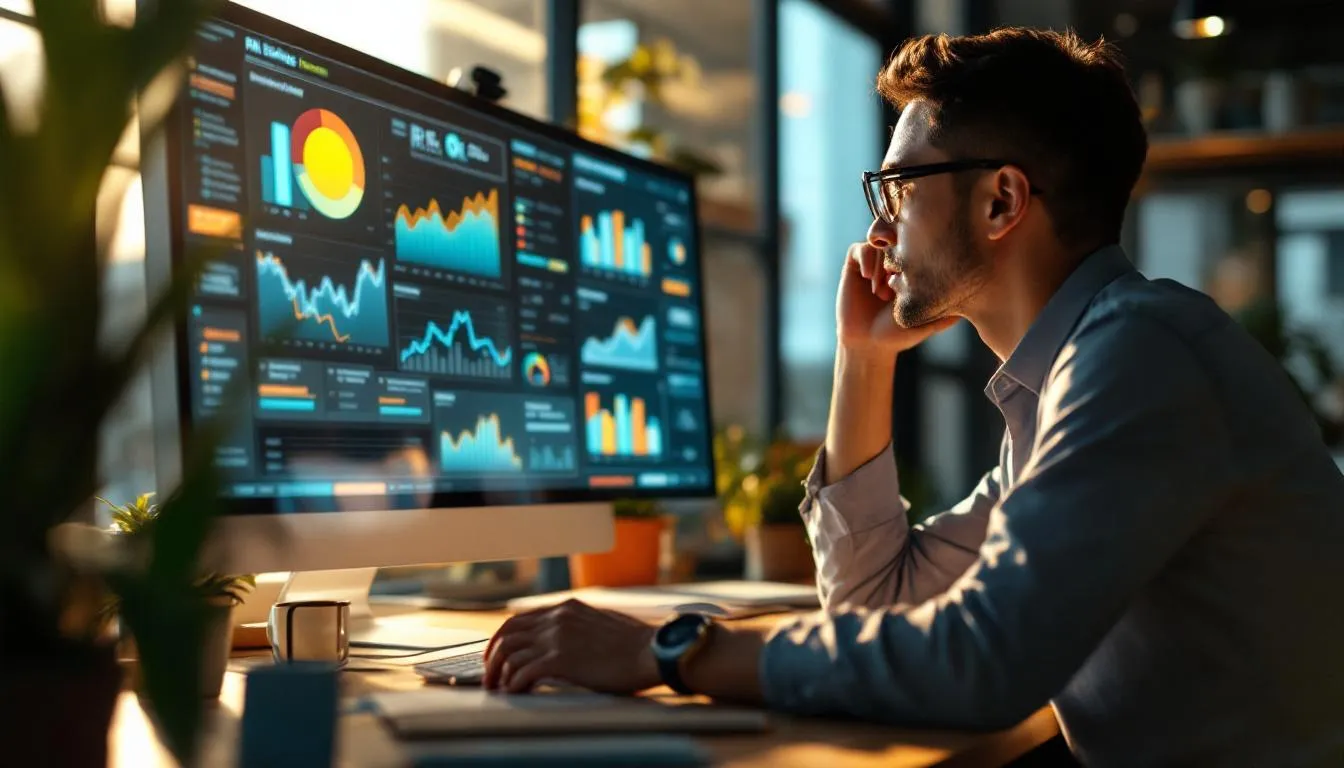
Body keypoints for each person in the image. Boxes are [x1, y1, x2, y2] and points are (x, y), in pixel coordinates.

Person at [483, 27, 1344, 766]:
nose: (877, 228)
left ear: (1002, 198)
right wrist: (864, 359)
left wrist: (668, 649)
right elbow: (876, 604)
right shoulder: (1070, 387)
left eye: (899, 186)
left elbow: (981, 659)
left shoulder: (1140, 359)